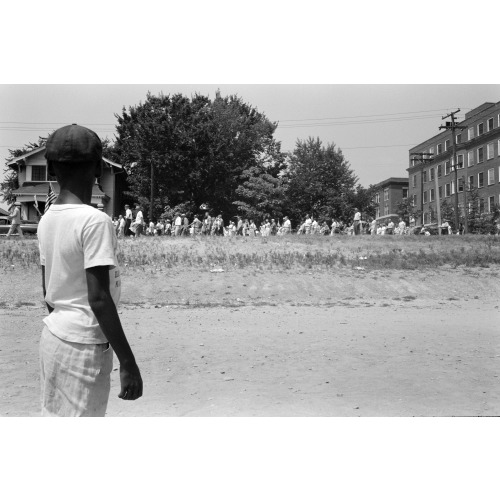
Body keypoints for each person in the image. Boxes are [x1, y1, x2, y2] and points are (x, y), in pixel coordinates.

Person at [37, 124, 142, 417]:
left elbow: (47, 292)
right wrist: (128, 362)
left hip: (54, 335)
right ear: (98, 167)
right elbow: (98, 297)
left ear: (50, 169)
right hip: (84, 345)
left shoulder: (47, 219)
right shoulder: (94, 221)